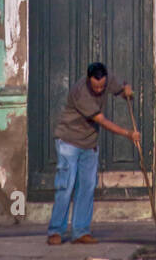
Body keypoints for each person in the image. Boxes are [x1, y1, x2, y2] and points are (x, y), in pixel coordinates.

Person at [47, 61, 139, 246]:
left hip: (89, 144)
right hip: (69, 142)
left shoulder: (107, 80)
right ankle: (55, 231)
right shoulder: (81, 92)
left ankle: (81, 232)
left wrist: (126, 92)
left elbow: (119, 89)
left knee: (87, 188)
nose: (99, 89)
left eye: (102, 86)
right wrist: (128, 134)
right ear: (89, 80)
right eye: (95, 86)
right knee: (66, 186)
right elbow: (102, 121)